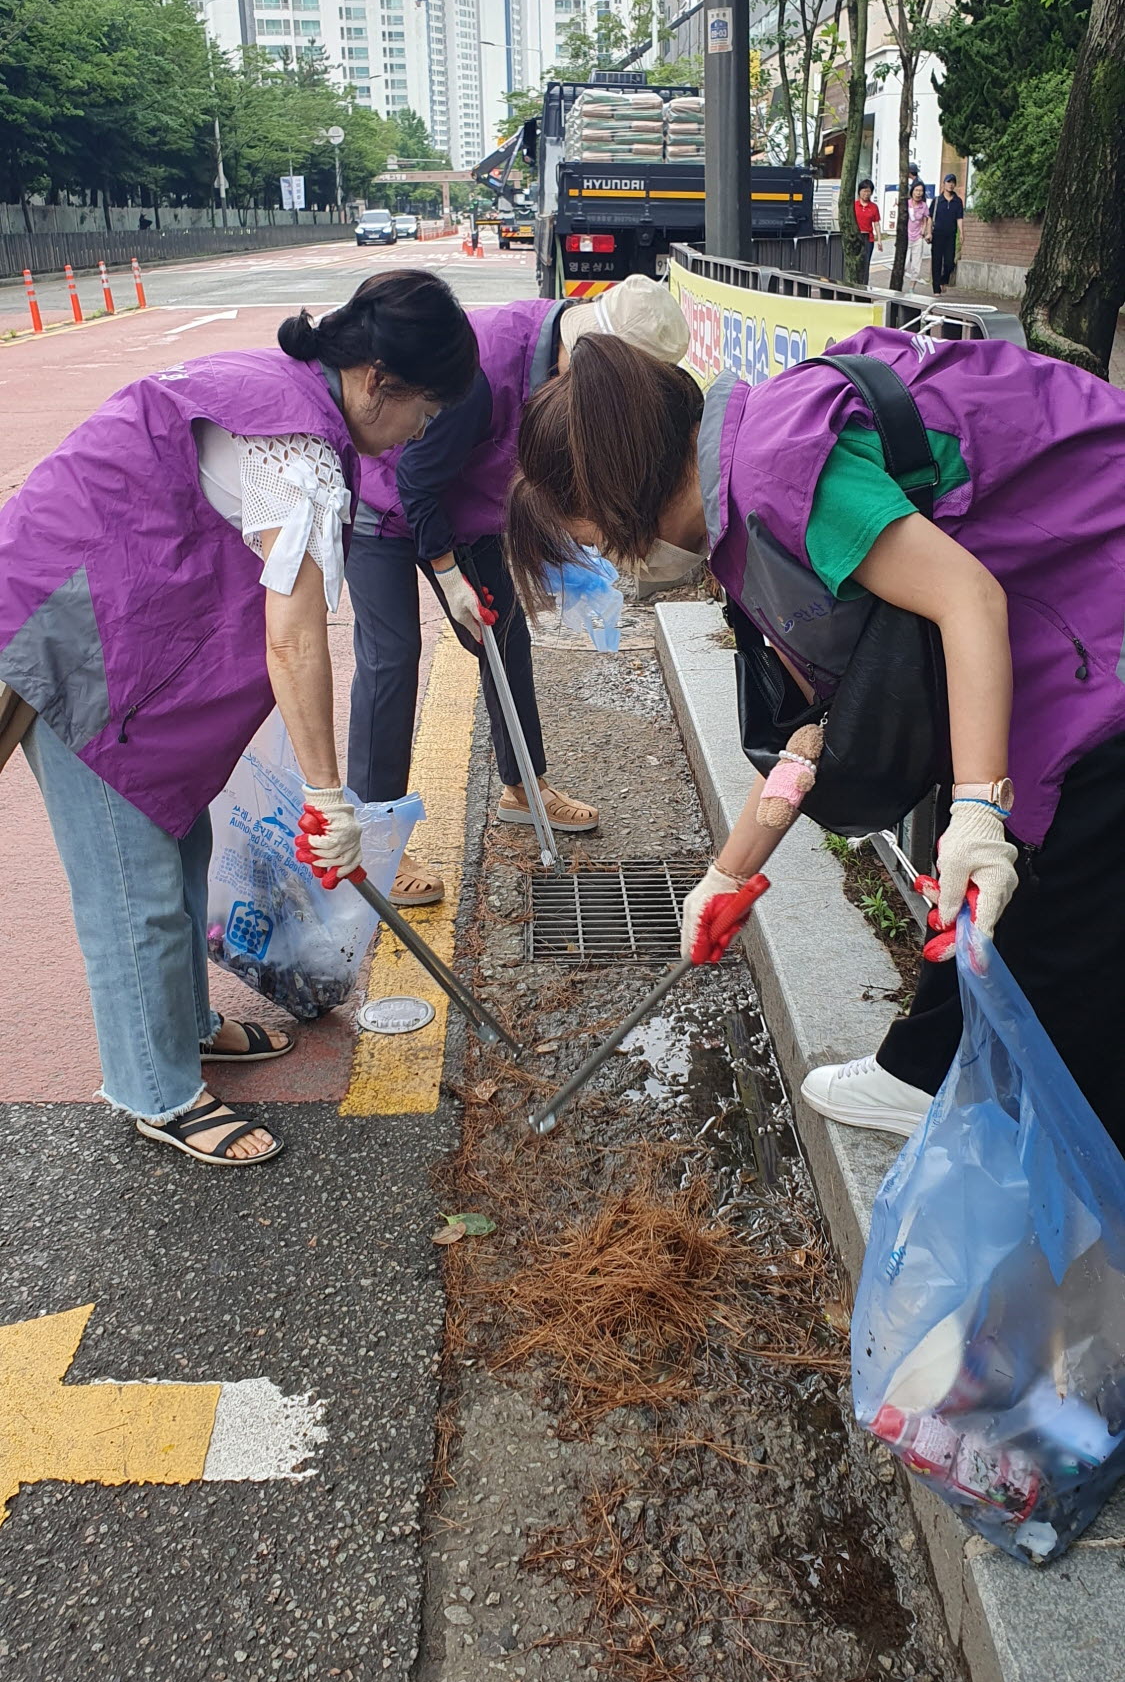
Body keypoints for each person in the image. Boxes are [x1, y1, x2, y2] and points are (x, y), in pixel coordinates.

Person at [505, 325, 1125, 1152]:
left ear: (620, 491)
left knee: (1062, 902)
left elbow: (968, 600)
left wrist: (977, 807)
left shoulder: (778, 476)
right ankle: (923, 1073)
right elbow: (814, 737)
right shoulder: (745, 504)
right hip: (1060, 616)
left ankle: (1073, 1183)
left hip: (1094, 625)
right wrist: (726, 876)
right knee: (988, 887)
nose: (614, 566)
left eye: (591, 541)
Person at [0, 272, 477, 1166]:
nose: (421, 430)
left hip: (123, 625)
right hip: (70, 638)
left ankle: (183, 1024)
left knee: (176, 841)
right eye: (424, 409)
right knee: (130, 884)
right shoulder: (291, 451)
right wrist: (328, 796)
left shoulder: (290, 396)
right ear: (377, 379)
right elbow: (294, 643)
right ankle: (157, 1091)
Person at [347, 274, 689, 905]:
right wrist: (448, 577)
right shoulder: (484, 368)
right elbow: (417, 481)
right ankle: (376, 842)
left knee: (504, 635)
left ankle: (523, 787)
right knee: (391, 659)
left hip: (465, 508)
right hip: (383, 504)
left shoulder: (562, 352)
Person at [929, 173, 964, 294]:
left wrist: (961, 233)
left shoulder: (958, 201)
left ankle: (943, 280)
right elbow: (930, 218)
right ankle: (936, 288)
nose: (951, 184)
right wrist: (929, 232)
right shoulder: (937, 200)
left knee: (949, 262)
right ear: (944, 184)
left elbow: (959, 218)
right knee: (936, 261)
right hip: (937, 234)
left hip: (951, 235)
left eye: (953, 182)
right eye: (948, 182)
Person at [854, 179, 882, 284]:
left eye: (868, 191)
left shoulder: (873, 207)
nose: (866, 194)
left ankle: (864, 285)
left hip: (868, 239)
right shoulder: (854, 205)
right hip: (855, 238)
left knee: (865, 264)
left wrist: (879, 239)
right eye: (864, 191)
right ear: (859, 191)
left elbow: (876, 224)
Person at [904, 180, 931, 289]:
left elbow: (927, 219)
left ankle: (911, 288)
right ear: (912, 191)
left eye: (921, 191)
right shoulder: (907, 203)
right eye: (916, 190)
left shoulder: (924, 206)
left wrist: (925, 231)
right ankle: (898, 286)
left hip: (918, 238)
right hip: (906, 238)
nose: (919, 193)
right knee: (904, 264)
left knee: (916, 266)